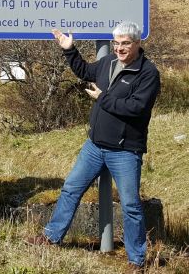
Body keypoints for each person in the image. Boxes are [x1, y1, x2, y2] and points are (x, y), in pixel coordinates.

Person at [28, 21, 161, 269]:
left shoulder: (148, 73)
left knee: (131, 205)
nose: (119, 48)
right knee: (70, 189)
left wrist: (104, 97)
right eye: (116, 43)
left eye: (125, 44)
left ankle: (136, 260)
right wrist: (69, 49)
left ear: (138, 43)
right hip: (95, 146)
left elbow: (136, 108)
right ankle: (51, 237)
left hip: (125, 150)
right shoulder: (108, 62)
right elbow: (85, 71)